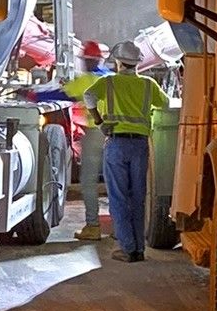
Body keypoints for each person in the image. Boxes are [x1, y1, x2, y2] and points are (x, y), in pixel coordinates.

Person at [84, 40, 169, 262]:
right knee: (138, 197)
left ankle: (128, 248)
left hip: (116, 144)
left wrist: (99, 122)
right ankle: (139, 249)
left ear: (119, 61)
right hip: (140, 145)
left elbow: (88, 96)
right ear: (138, 64)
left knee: (119, 198)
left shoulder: (108, 83)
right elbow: (166, 104)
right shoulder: (149, 85)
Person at [28, 39, 111, 238]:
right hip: (115, 134)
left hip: (95, 134)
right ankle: (118, 227)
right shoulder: (111, 78)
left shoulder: (86, 81)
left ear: (88, 61)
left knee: (88, 181)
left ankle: (92, 226)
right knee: (114, 182)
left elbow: (59, 94)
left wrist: (31, 95)